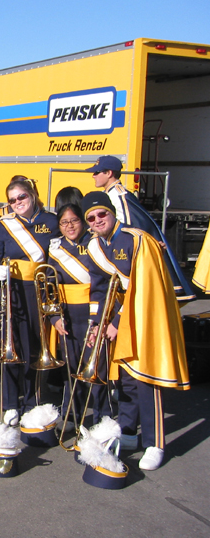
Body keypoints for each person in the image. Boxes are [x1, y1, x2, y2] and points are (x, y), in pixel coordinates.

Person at [83, 191, 190, 471]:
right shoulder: (95, 246)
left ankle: (155, 443)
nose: (97, 220)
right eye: (91, 218)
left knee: (146, 378)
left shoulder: (136, 239)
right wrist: (97, 323)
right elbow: (99, 288)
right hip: (120, 318)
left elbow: (145, 288)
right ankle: (128, 432)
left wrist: (116, 321)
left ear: (112, 212)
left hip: (145, 315)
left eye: (101, 214)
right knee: (125, 379)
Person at [0, 177, 59, 425]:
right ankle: (9, 403)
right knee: (9, 344)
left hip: (38, 289)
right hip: (9, 288)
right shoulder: (4, 224)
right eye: (12, 200)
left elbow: (58, 258)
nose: (17, 202)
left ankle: (32, 400)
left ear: (32, 194)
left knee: (34, 347)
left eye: (21, 197)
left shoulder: (51, 221)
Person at [86, 155, 195, 301]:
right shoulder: (114, 193)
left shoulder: (117, 196)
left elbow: (126, 229)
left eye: (97, 172)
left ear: (109, 173)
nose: (93, 176)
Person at [48, 202, 111, 428]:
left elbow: (103, 282)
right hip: (67, 314)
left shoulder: (95, 243)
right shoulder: (54, 248)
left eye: (74, 220)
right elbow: (49, 285)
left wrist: (99, 318)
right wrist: (54, 317)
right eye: (64, 222)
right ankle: (72, 415)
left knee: (96, 366)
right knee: (70, 367)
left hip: (92, 312)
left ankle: (104, 417)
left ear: (83, 222)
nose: (70, 226)